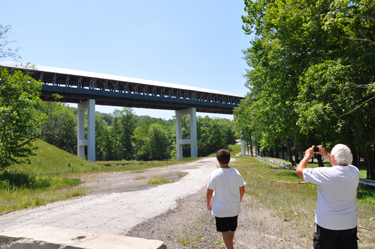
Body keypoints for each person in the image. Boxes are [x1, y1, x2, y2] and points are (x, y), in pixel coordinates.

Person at [296, 144, 359, 249]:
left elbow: (299, 170)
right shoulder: (354, 171)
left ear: (333, 158)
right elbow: (340, 162)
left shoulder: (325, 173)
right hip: (349, 224)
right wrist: (327, 154)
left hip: (327, 225)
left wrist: (307, 155)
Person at [206, 149, 246, 249]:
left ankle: (229, 247)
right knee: (231, 230)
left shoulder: (215, 173)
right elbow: (242, 188)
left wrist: (208, 203)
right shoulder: (236, 172)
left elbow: (209, 191)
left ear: (218, 160)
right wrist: (239, 200)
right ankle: (229, 246)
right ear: (229, 159)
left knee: (225, 230)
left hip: (221, 209)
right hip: (234, 208)